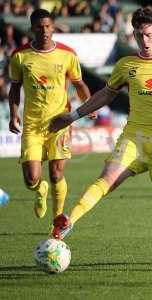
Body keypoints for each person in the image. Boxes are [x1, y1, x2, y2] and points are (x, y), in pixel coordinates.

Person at [49, 8, 152, 265]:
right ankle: (69, 221)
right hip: (134, 136)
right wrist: (72, 116)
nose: (143, 41)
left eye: (147, 35)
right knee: (107, 179)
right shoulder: (126, 65)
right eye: (138, 35)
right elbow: (105, 94)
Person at [8, 9, 91, 221]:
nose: (44, 31)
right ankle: (39, 189)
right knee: (31, 179)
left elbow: (79, 84)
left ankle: (57, 222)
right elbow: (15, 88)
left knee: (57, 174)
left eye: (47, 26)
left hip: (59, 122)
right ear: (32, 29)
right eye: (39, 27)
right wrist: (13, 114)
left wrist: (90, 106)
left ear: (53, 27)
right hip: (32, 124)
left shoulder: (67, 54)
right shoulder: (20, 56)